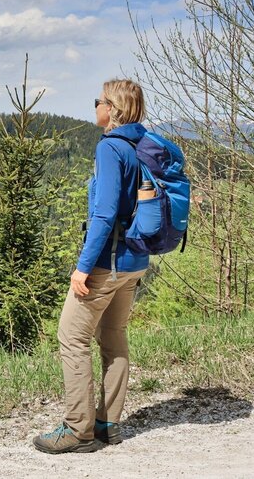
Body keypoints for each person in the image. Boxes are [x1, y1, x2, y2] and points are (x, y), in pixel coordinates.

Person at [33, 79, 150, 454]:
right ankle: (107, 423)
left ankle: (77, 430)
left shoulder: (111, 148)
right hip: (135, 261)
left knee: (71, 337)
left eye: (98, 100)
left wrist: (83, 267)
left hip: (108, 262)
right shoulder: (142, 145)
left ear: (112, 109)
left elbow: (104, 214)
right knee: (113, 336)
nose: (94, 105)